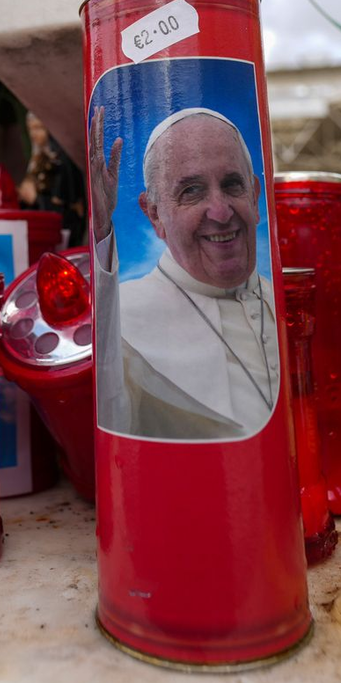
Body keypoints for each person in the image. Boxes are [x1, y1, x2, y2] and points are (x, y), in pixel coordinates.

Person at [89, 106, 279, 441]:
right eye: (191, 191)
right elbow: (115, 428)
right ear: (155, 215)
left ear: (254, 196)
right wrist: (101, 232)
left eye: (232, 185)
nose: (220, 213)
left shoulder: (287, 298)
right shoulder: (123, 316)